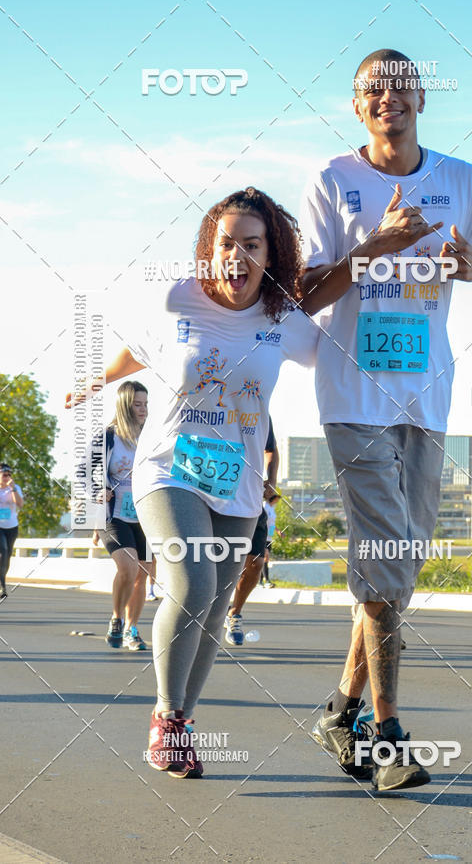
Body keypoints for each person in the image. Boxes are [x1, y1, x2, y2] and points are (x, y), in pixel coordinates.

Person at [300, 48, 472, 792]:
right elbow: (303, 296)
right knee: (389, 558)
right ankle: (389, 734)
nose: (386, 99)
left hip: (426, 401)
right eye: (371, 91)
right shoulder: (334, 180)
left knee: (398, 566)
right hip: (352, 399)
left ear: (421, 97)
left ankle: (341, 707)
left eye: (398, 88)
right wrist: (375, 249)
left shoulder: (460, 180)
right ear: (356, 107)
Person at [67, 187, 317, 778]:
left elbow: (338, 346)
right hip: (168, 466)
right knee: (190, 580)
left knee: (214, 603)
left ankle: (180, 719)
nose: (237, 256)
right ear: (210, 248)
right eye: (225, 243)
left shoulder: (286, 318)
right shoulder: (176, 297)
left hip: (239, 477)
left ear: (269, 254)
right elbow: (139, 350)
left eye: (250, 245)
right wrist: (95, 381)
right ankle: (162, 715)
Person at [95, 381, 153, 651]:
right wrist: (98, 489)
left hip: (148, 513)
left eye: (145, 404)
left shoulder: (153, 436)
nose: (143, 409)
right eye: (137, 404)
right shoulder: (108, 437)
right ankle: (116, 619)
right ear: (124, 406)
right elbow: (83, 474)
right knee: (128, 568)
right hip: (114, 513)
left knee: (143, 574)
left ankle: (132, 629)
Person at [224, 416, 279, 646]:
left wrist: (272, 480)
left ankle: (234, 613)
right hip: (217, 497)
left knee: (255, 563)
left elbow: (271, 450)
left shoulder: (259, 409)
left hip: (251, 497)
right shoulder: (209, 402)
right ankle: (206, 612)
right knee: (221, 561)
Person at [0, 463, 24, 599]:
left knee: (7, 556)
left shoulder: (15, 488)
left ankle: (1, 579)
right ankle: (2, 586)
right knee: (2, 551)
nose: (7, 477)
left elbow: (20, 504)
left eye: (9, 475)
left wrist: (12, 488)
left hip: (11, 527)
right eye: (4, 475)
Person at [261, 492, 280, 587]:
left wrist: (278, 531)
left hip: (269, 536)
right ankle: (267, 581)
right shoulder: (264, 506)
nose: (278, 500)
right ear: (273, 497)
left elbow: (272, 522)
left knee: (264, 559)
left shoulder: (272, 508)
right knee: (265, 557)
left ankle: (260, 581)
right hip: (262, 536)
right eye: (278, 498)